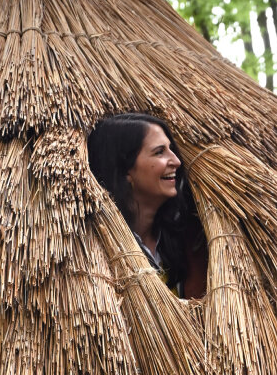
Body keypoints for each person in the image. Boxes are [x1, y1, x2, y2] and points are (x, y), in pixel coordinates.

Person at [87, 112, 208, 299]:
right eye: (159, 152)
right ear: (126, 169)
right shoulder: (99, 251)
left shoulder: (188, 242)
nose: (176, 161)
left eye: (171, 149)